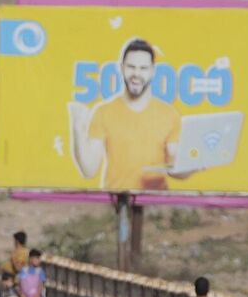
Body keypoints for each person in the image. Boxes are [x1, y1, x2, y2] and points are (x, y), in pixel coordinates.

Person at [70, 39, 184, 190]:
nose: (136, 74)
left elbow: (175, 168)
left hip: (156, 202)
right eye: (131, 67)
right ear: (121, 68)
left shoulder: (170, 114)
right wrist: (77, 129)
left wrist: (197, 164)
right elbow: (89, 170)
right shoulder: (103, 111)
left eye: (143, 68)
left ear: (152, 71)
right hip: (116, 202)